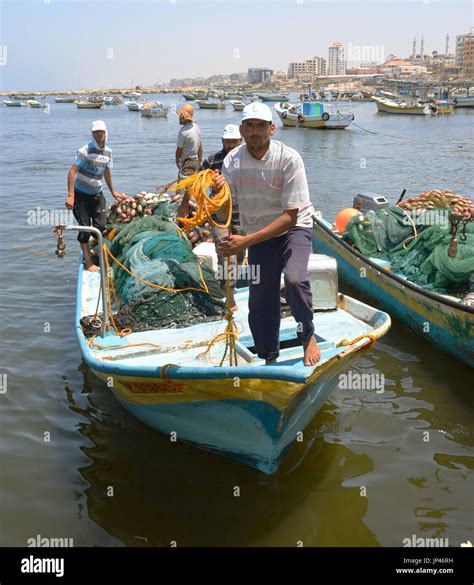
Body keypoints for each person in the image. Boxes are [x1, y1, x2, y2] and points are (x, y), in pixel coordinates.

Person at [215, 102, 320, 366]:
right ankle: (269, 356)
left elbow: (291, 216)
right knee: (260, 298)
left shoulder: (289, 159)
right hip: (259, 234)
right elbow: (225, 208)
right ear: (241, 130)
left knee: (295, 280)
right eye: (249, 126)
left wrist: (245, 242)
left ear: (272, 128)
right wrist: (216, 196)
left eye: (261, 126)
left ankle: (307, 334)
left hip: (293, 228)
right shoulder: (232, 161)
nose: (255, 132)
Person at [178, 124, 243, 310]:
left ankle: (231, 283)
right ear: (222, 141)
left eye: (234, 141)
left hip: (242, 211)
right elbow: (195, 182)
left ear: (241, 141)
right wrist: (184, 204)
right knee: (224, 250)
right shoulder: (211, 161)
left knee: (239, 253)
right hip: (218, 211)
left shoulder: (246, 160)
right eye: (228, 141)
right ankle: (228, 293)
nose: (231, 145)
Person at [65, 120, 122, 272]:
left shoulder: (109, 152)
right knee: (84, 229)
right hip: (80, 196)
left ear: (105, 132)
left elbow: (107, 172)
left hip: (97, 194)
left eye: (101, 132)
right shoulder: (85, 150)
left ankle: (89, 241)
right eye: (96, 132)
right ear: (92, 133)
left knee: (101, 226)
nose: (99, 135)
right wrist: (71, 196)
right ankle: (88, 261)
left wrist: (113, 192)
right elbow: (71, 172)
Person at [175, 104, 202, 179]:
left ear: (183, 118)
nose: (179, 118)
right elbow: (200, 146)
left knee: (183, 187)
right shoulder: (196, 127)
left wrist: (177, 161)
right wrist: (200, 160)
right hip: (196, 161)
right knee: (195, 185)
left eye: (180, 116)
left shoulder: (183, 131)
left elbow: (179, 150)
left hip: (187, 163)